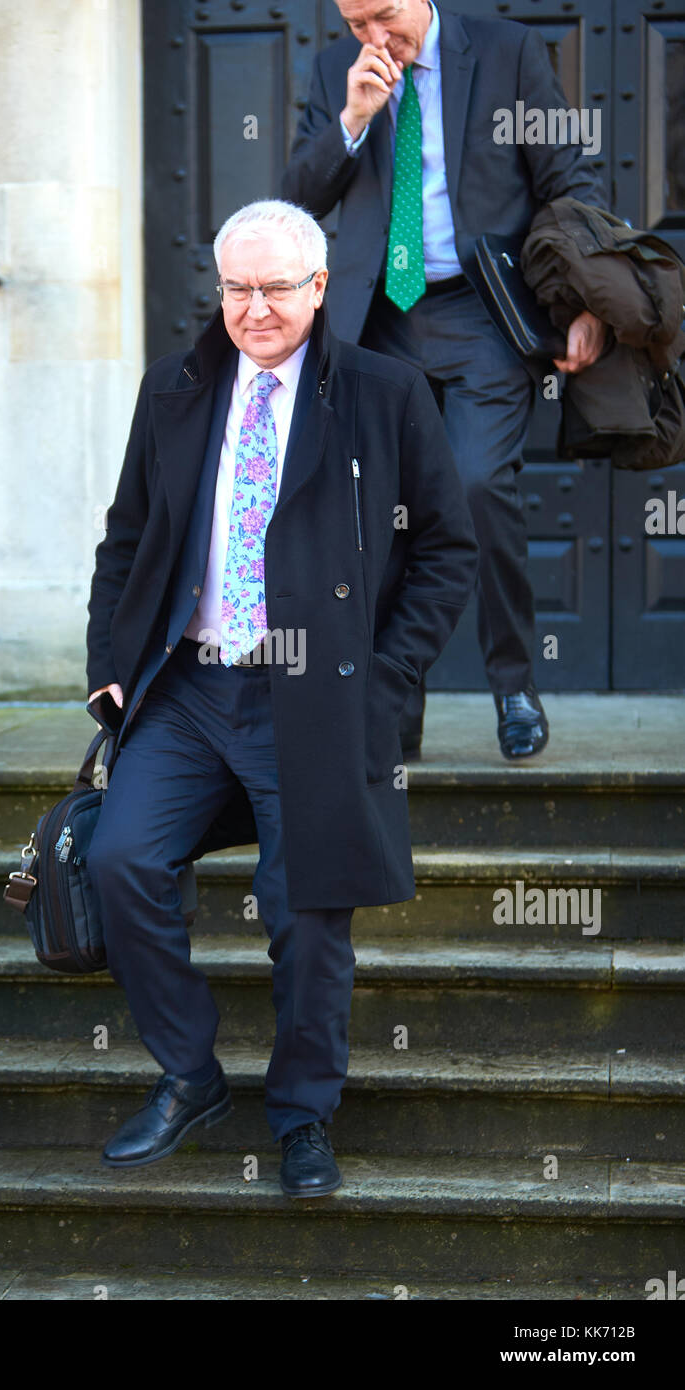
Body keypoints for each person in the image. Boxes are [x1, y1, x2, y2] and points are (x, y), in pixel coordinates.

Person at [84, 199, 477, 1198]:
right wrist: (107, 658)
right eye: (235, 288)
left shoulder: (384, 393)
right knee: (119, 857)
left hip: (313, 693)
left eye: (273, 288)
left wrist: (380, 681)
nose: (253, 308)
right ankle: (189, 1072)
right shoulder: (172, 389)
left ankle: (303, 1113)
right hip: (188, 684)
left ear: (317, 288)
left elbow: (445, 550)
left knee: (305, 912)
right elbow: (123, 538)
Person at [281, 0, 608, 759]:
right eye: (356, 22)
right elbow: (297, 198)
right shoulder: (339, 71)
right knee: (378, 513)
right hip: (379, 323)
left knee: (476, 486)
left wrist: (589, 301)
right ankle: (395, 709)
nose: (373, 37)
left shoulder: (508, 52)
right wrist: (353, 119)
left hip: (481, 314)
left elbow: (569, 177)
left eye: (383, 16)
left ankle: (515, 684)